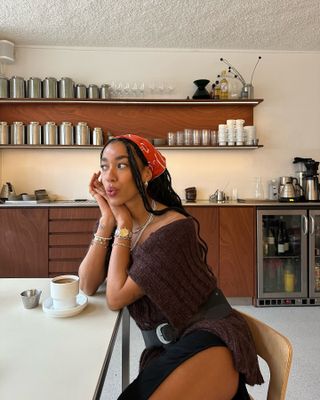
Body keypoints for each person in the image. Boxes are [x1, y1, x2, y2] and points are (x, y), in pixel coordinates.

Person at [79, 134, 263, 400]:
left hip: (209, 338)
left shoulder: (172, 229)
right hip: (170, 347)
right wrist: (107, 220)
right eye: (104, 165)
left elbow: (115, 297)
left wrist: (123, 226)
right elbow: (86, 284)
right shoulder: (123, 222)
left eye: (121, 165)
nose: (109, 176)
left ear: (145, 173)